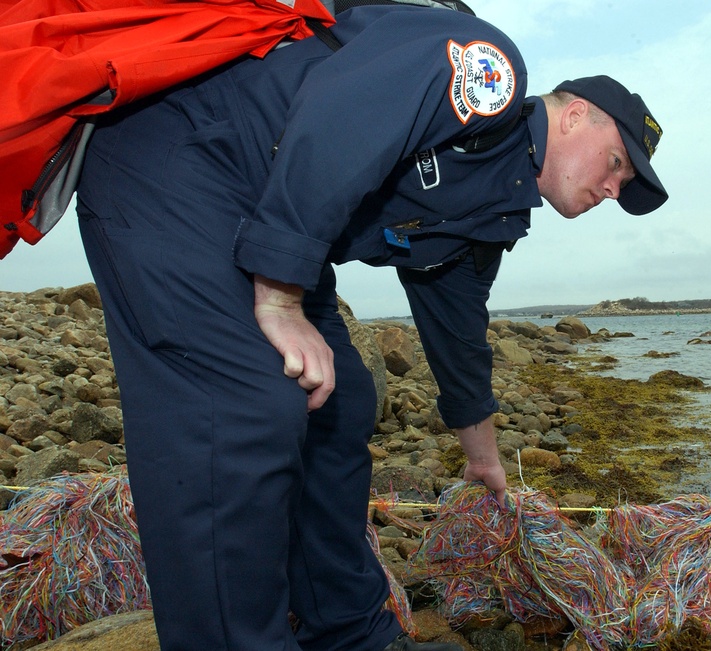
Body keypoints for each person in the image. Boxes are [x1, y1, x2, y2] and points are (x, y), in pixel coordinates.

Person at [74, 4, 667, 650]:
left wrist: (482, 459)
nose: (613, 188)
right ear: (576, 112)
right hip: (178, 158)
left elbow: (457, 337)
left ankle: (351, 631)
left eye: (624, 184)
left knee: (343, 400)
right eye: (615, 164)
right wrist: (278, 296)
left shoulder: (492, 214)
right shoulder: (489, 70)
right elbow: (342, 119)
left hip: (262, 214)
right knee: (245, 407)